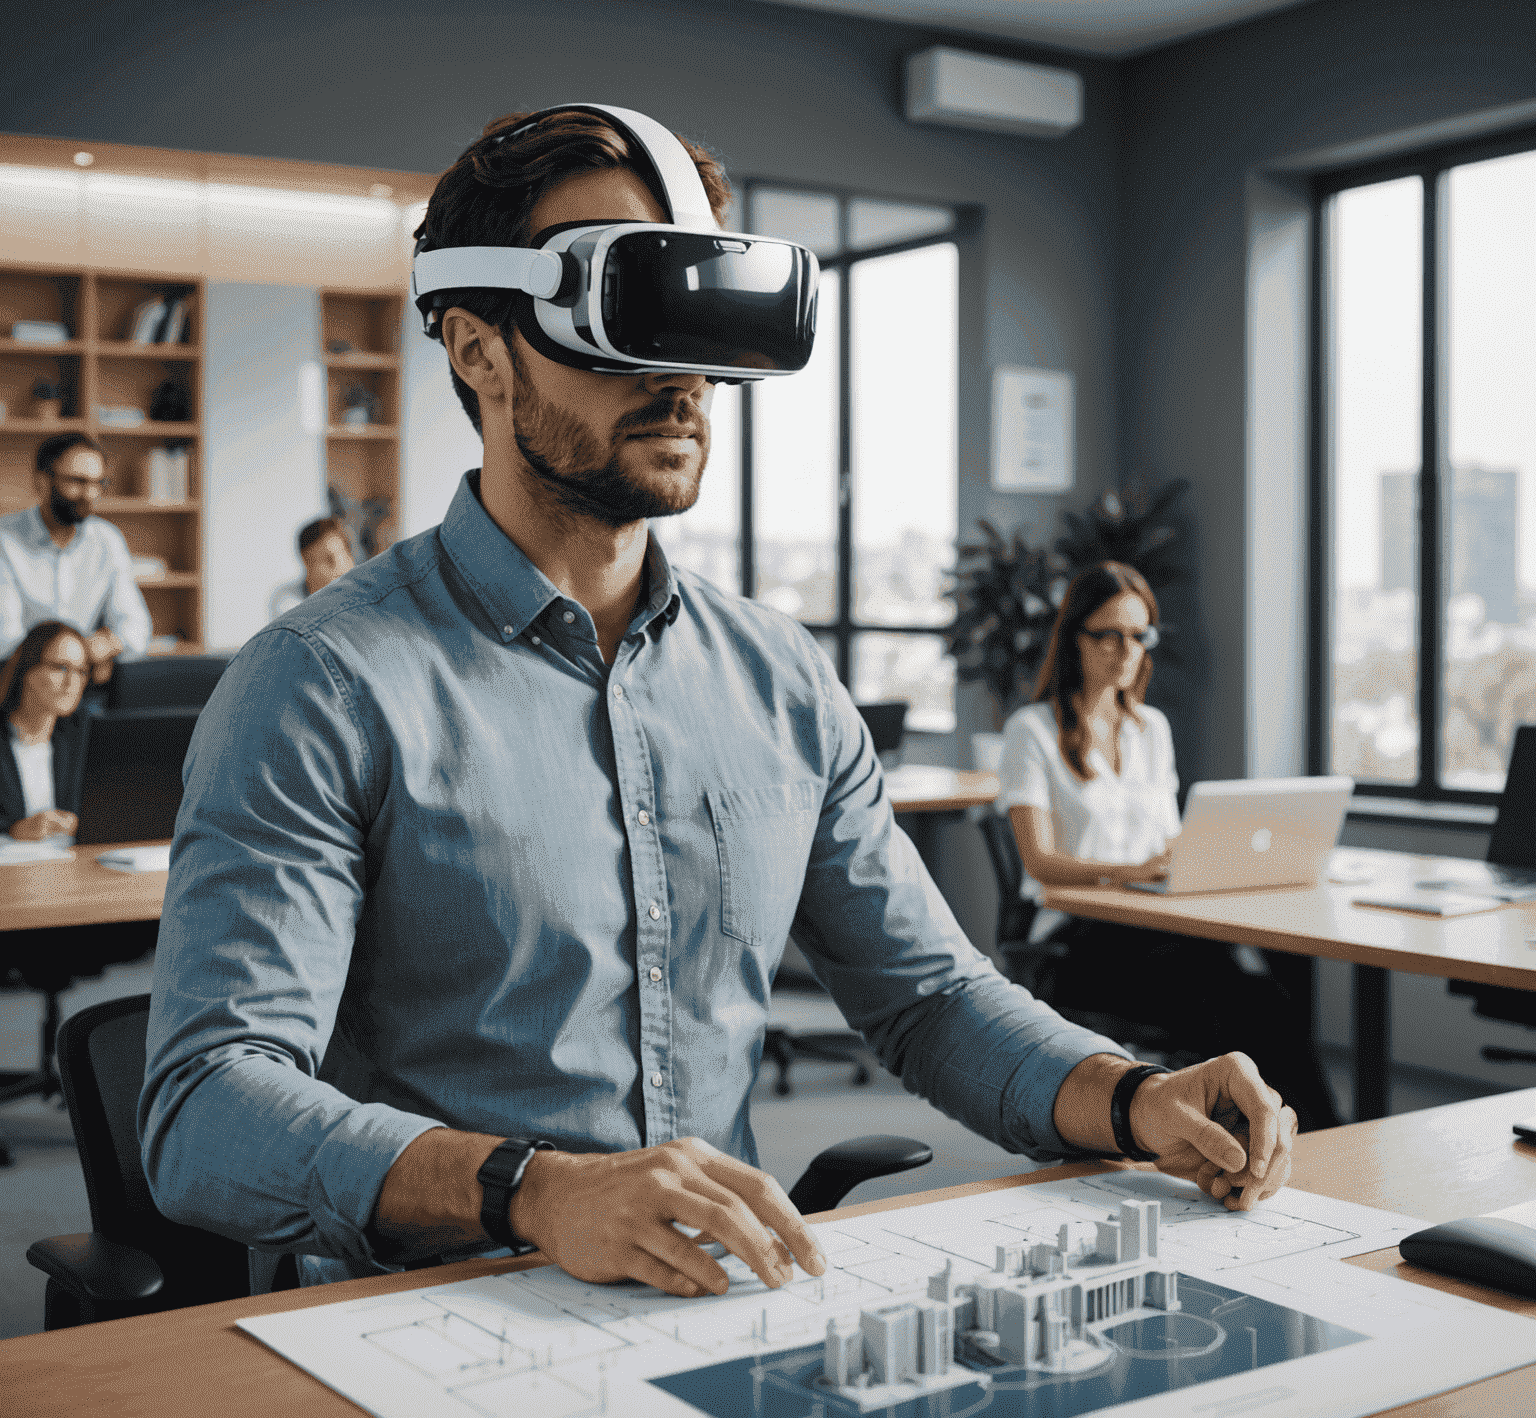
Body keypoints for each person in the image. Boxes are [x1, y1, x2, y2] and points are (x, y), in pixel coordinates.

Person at [141, 105, 1297, 1301]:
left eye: (702, 328)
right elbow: (206, 1105)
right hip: (427, 1313)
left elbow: (931, 997)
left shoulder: (779, 679)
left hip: (718, 1304)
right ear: (480, 348)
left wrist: (1128, 1094)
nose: (681, 381)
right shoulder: (319, 685)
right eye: (620, 323)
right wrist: (535, 1189)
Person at [996, 560, 1340, 1131]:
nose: (1123, 650)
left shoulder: (1150, 728)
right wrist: (1130, 871)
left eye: (1138, 635)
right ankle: (1312, 1134)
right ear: (1073, 638)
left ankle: (1293, 1134)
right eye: (1105, 634)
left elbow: (1170, 839)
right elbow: (1040, 862)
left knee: (1269, 983)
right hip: (1074, 936)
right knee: (1246, 997)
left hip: (1156, 922)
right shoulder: (1031, 732)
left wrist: (1205, 859)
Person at [0, 434, 151, 684]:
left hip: (83, 683)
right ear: (42, 481)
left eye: (98, 483)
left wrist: (110, 642)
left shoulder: (106, 540)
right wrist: (85, 650)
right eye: (78, 481)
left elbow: (137, 630)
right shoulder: (5, 539)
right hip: (16, 683)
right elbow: (6, 639)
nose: (90, 493)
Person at [0, 620, 90, 842]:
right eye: (61, 668)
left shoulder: (81, 738)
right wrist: (14, 832)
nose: (72, 681)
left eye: (81, 671)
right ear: (27, 670)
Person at [268, 516, 357, 620]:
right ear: (307, 563)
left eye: (345, 554)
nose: (340, 567)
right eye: (328, 560)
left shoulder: (367, 591)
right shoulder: (287, 602)